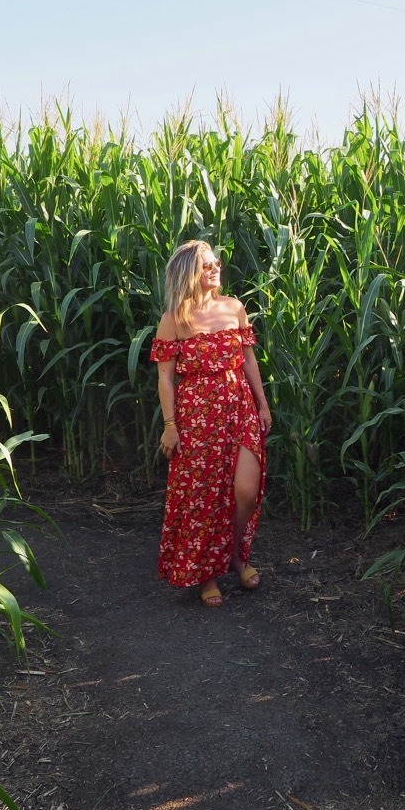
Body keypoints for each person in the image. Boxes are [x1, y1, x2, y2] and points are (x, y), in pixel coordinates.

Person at [150, 240, 272, 607]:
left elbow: (249, 361)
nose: (215, 268)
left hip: (240, 410)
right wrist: (170, 425)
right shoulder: (175, 319)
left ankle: (233, 554)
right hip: (197, 417)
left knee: (246, 492)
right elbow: (165, 378)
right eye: (206, 265)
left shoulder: (234, 308)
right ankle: (209, 574)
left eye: (216, 262)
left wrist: (263, 405)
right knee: (203, 497)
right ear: (189, 273)